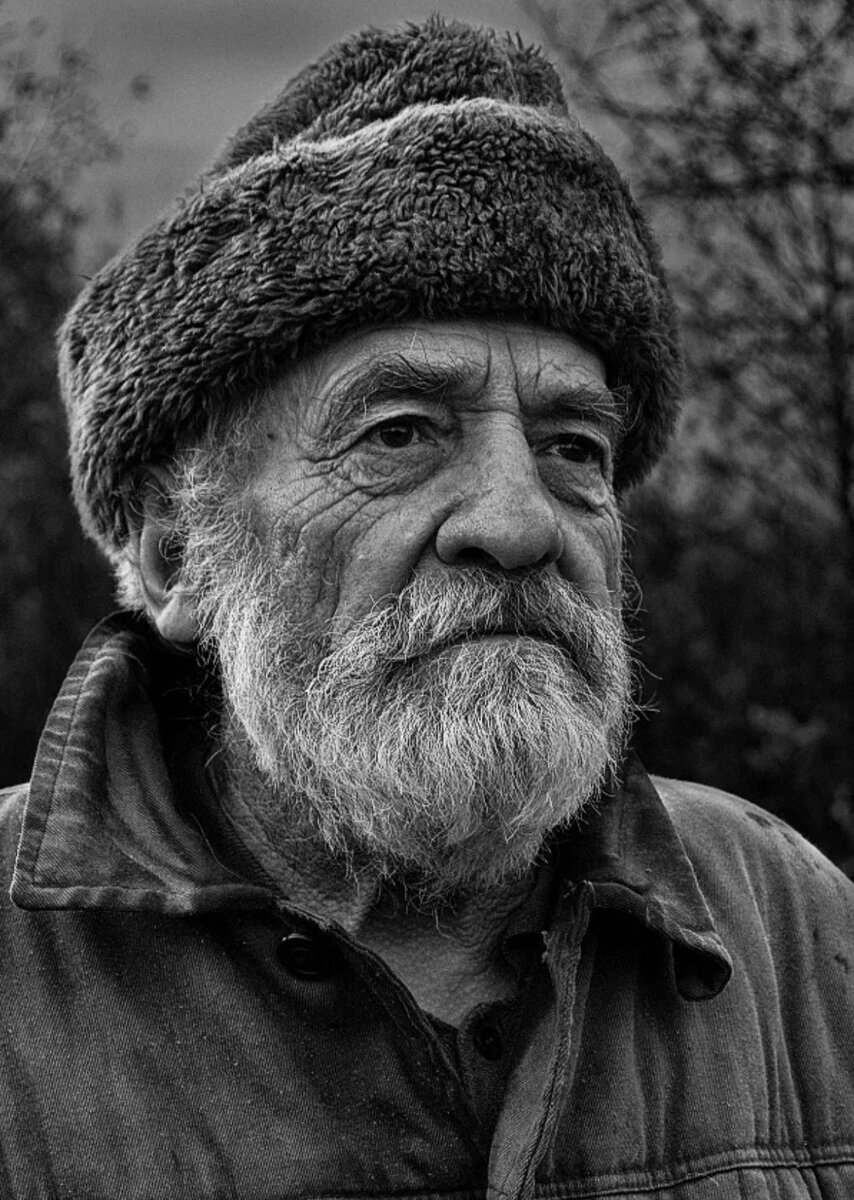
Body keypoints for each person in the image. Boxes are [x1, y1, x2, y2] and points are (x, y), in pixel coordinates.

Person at [2, 15, 852, 1198]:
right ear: (176, 556)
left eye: (573, 448)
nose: (517, 522)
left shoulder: (791, 928)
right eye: (399, 433)